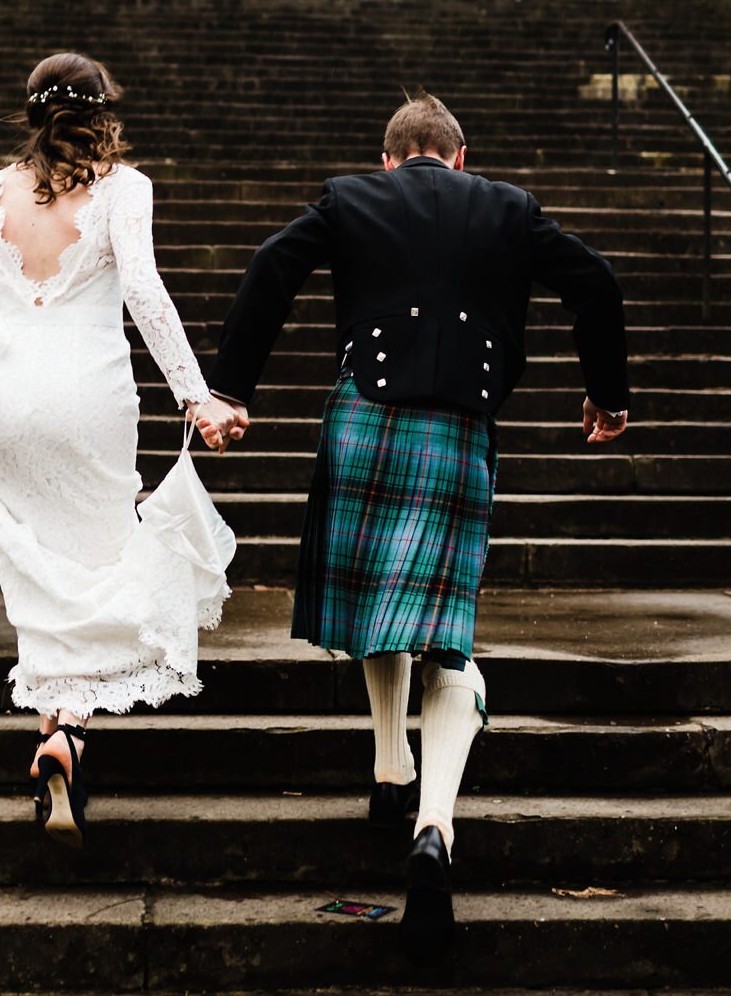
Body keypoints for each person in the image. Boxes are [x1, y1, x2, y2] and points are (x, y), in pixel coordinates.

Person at [206, 93, 628, 961]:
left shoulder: (351, 196)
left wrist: (232, 387)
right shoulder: (509, 206)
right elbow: (595, 282)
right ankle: (431, 823)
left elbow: (270, 268)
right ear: (460, 157)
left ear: (392, 157)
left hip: (363, 417)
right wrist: (607, 391)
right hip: (459, 427)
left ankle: (389, 767)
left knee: (374, 602)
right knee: (444, 634)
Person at [0, 52, 242, 850]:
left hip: (7, 400)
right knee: (95, 562)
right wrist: (195, 395)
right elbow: (144, 291)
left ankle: (55, 732)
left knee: (37, 568)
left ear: (32, 113)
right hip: (89, 399)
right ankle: (71, 735)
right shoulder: (124, 191)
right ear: (103, 110)